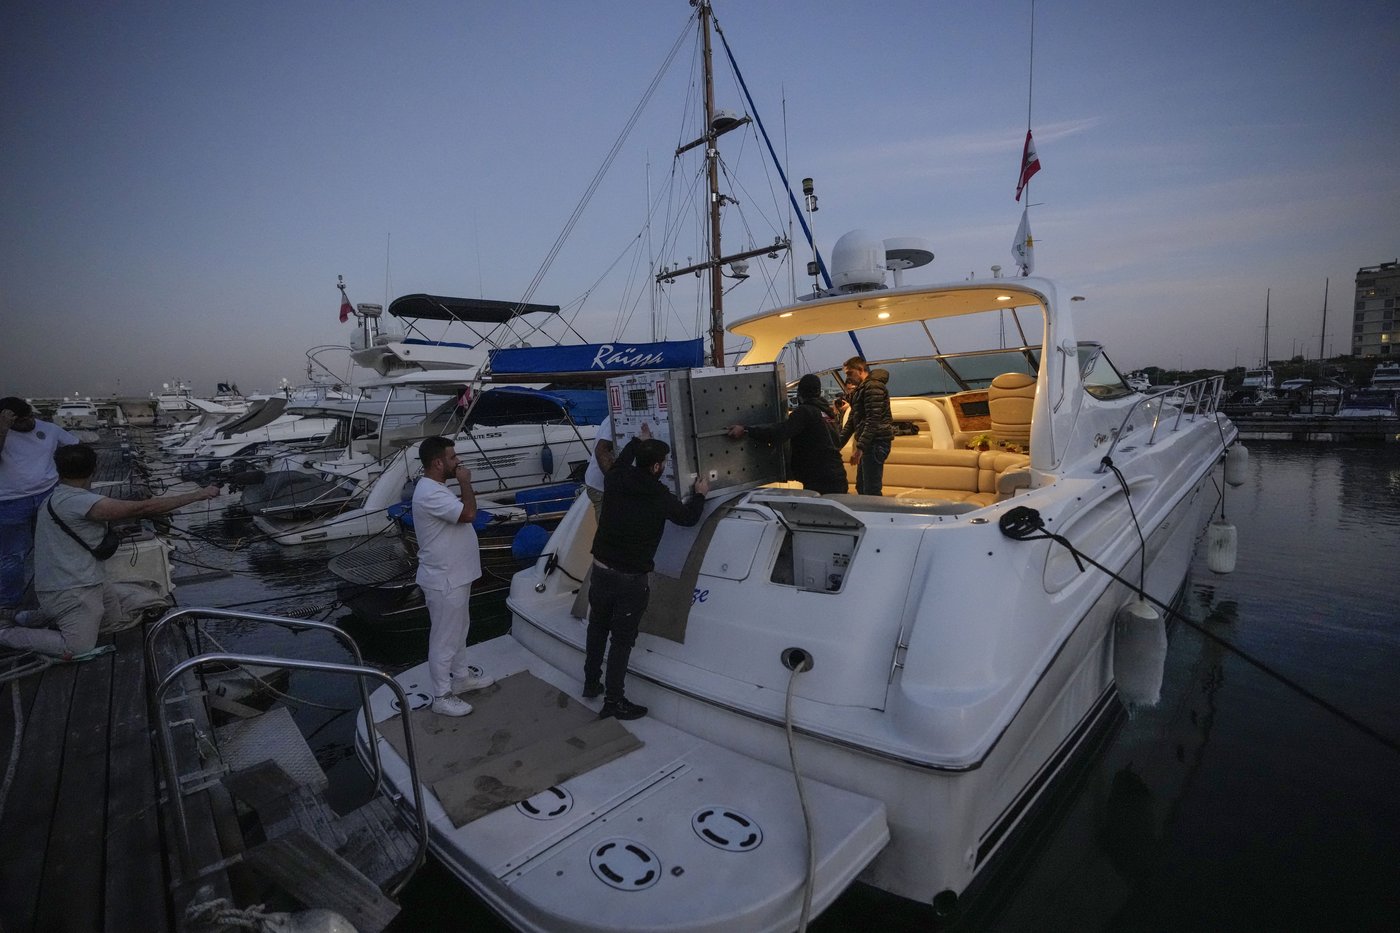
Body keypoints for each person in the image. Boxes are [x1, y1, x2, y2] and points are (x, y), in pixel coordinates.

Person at [0, 443, 221, 657]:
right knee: (77, 647)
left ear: (58, 470)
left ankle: (40, 616)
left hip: (89, 580)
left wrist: (114, 530)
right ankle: (7, 633)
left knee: (114, 622)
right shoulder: (81, 501)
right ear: (94, 468)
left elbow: (79, 528)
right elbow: (144, 508)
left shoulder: (57, 497)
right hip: (71, 588)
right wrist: (198, 494)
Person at [586, 425, 708, 720]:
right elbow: (688, 518)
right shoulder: (659, 495)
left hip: (600, 570)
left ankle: (591, 683)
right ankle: (614, 702)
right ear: (657, 466)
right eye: (663, 462)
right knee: (622, 641)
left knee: (597, 628)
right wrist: (700, 494)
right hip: (630, 580)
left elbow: (619, 463)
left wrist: (635, 442)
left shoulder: (615, 478)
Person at [412, 436, 495, 717]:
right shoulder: (430, 493)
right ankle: (441, 695)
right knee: (444, 639)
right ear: (437, 463)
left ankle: (460, 679)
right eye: (452, 457)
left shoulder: (435, 488)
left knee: (459, 632)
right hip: (444, 580)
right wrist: (465, 481)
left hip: (457, 576)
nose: (457, 461)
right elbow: (469, 513)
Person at [0, 397, 79, 609]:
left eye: (28, 418)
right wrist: (3, 428)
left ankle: (58, 595)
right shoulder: (3, 432)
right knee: (12, 556)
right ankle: (8, 604)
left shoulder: (50, 429)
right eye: (19, 421)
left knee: (54, 546)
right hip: (9, 502)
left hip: (47, 495)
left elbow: (76, 448)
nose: (26, 423)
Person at [726, 374, 847, 494]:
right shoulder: (827, 413)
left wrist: (747, 430)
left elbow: (780, 433)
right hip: (836, 475)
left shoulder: (805, 412)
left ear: (800, 393)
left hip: (820, 480)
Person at [837, 356, 894, 496]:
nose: (848, 378)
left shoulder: (873, 387)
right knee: (862, 487)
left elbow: (873, 420)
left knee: (871, 490)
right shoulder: (862, 389)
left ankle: (877, 516)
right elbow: (852, 422)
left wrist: (859, 448)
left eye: (850, 373)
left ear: (861, 370)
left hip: (876, 443)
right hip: (870, 443)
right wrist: (836, 445)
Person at [582, 414, 615, 517]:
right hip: (601, 488)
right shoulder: (615, 419)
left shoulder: (612, 417)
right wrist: (615, 482)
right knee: (608, 529)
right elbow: (601, 450)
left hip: (601, 484)